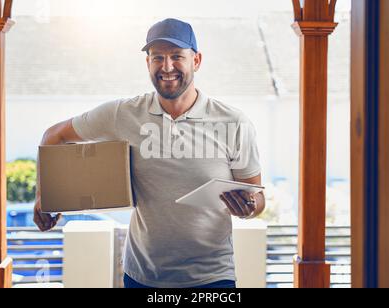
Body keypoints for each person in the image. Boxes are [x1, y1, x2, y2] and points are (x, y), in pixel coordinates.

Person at [34, 18, 265, 288]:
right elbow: (54, 136)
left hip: (213, 278)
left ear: (197, 61)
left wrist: (248, 208)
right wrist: (44, 196)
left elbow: (256, 197)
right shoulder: (123, 114)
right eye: (158, 58)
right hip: (141, 278)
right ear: (148, 63)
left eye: (177, 56)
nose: (167, 67)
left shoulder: (233, 122)